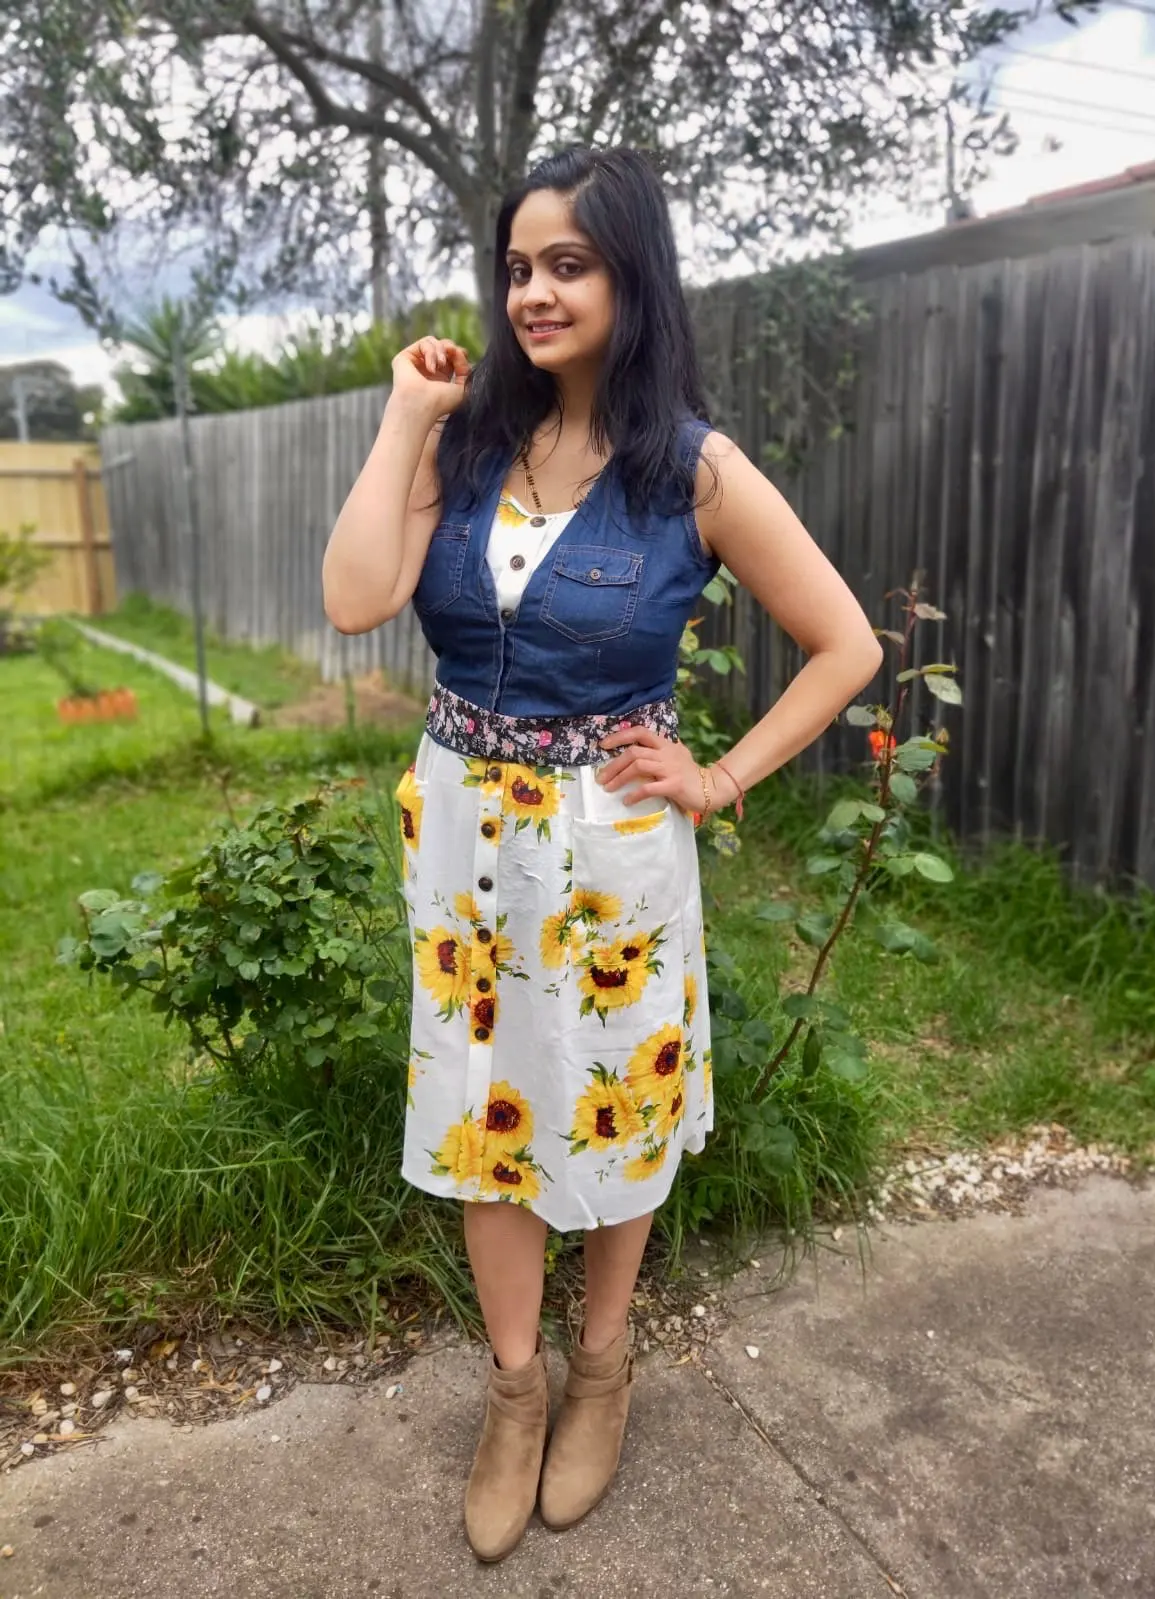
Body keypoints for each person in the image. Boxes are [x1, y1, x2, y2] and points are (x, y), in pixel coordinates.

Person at [323, 145, 882, 1563]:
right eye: (519, 267)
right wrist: (405, 414)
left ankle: (603, 1365)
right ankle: (514, 1390)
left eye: (568, 264)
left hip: (612, 845)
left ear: (632, 278)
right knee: (485, 1112)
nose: (535, 292)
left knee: (613, 1104)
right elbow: (355, 598)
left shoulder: (692, 469)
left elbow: (846, 644)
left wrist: (720, 777)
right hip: (466, 840)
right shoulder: (464, 445)